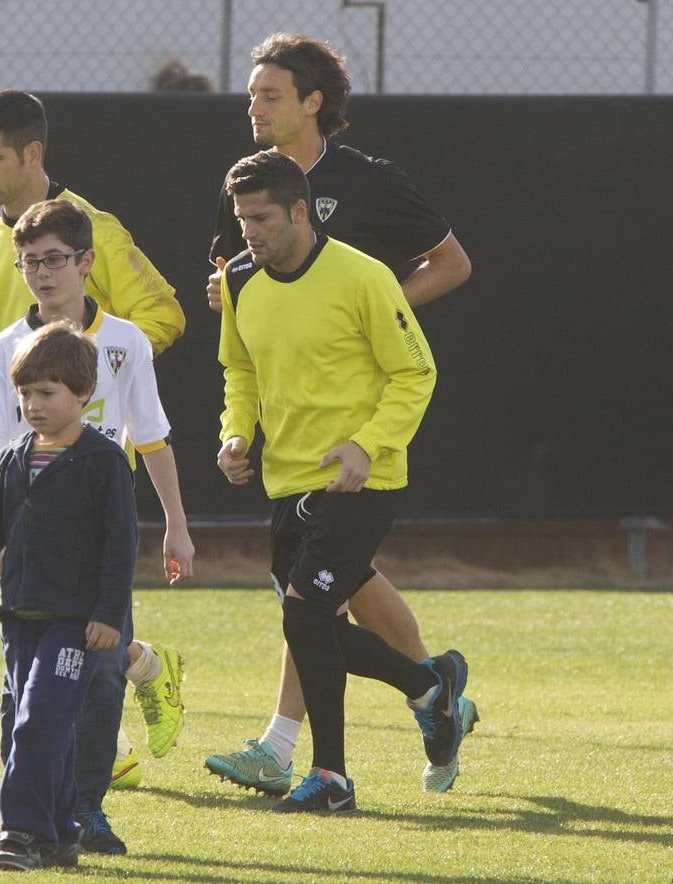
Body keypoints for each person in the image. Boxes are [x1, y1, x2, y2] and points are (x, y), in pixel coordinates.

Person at [0, 89, 189, 851]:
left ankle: (73, 809)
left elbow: (162, 318)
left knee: (87, 670)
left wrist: (90, 374)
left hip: (98, 501)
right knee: (33, 678)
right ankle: (46, 807)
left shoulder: (97, 232)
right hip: (28, 505)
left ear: (33, 154)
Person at [203, 32, 475, 795]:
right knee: (320, 605)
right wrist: (236, 429)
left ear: (312, 102)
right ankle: (433, 686)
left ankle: (307, 759)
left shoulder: (366, 197)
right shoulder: (251, 203)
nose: (253, 106)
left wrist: (371, 311)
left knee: (308, 608)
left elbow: (447, 273)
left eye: (269, 94)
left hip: (358, 454)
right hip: (289, 461)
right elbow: (239, 351)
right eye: (251, 94)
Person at [0, 321, 136, 871]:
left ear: (83, 394)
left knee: (38, 721)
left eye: (48, 393)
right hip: (18, 618)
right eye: (25, 393)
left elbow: (121, 546)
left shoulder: (103, 461)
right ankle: (60, 835)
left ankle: (18, 831)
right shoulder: (10, 460)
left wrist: (110, 615)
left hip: (75, 624)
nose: (34, 405)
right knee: (44, 725)